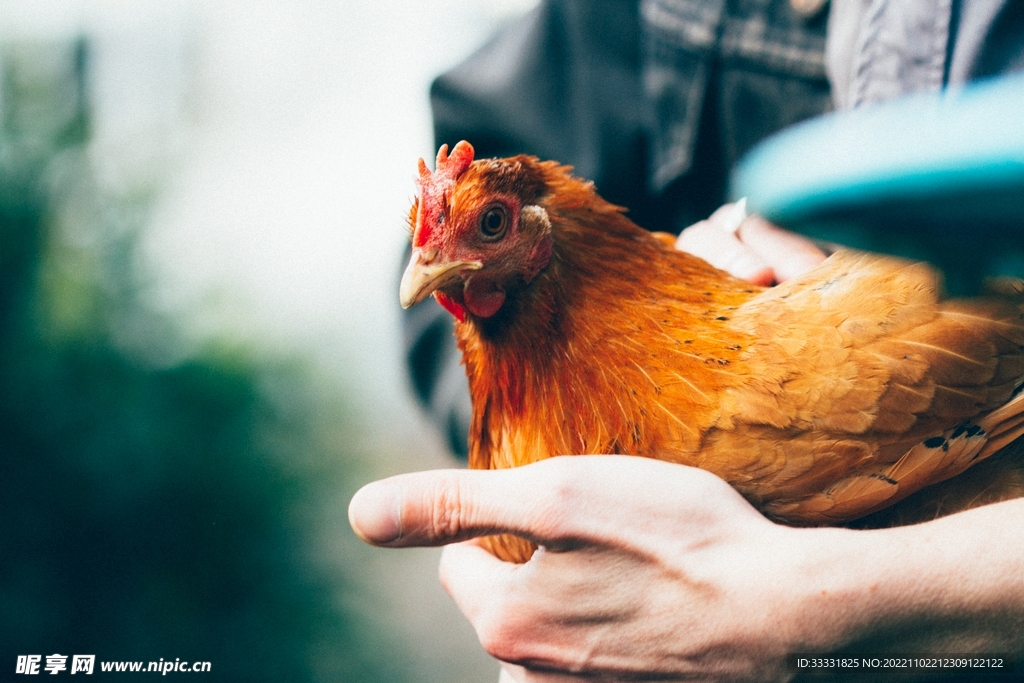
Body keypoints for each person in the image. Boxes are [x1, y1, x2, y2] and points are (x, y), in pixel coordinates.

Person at [353, 1, 1024, 680]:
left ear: (537, 231)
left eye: (491, 225)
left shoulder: (780, 421)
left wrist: (825, 613)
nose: (432, 265)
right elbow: (506, 131)